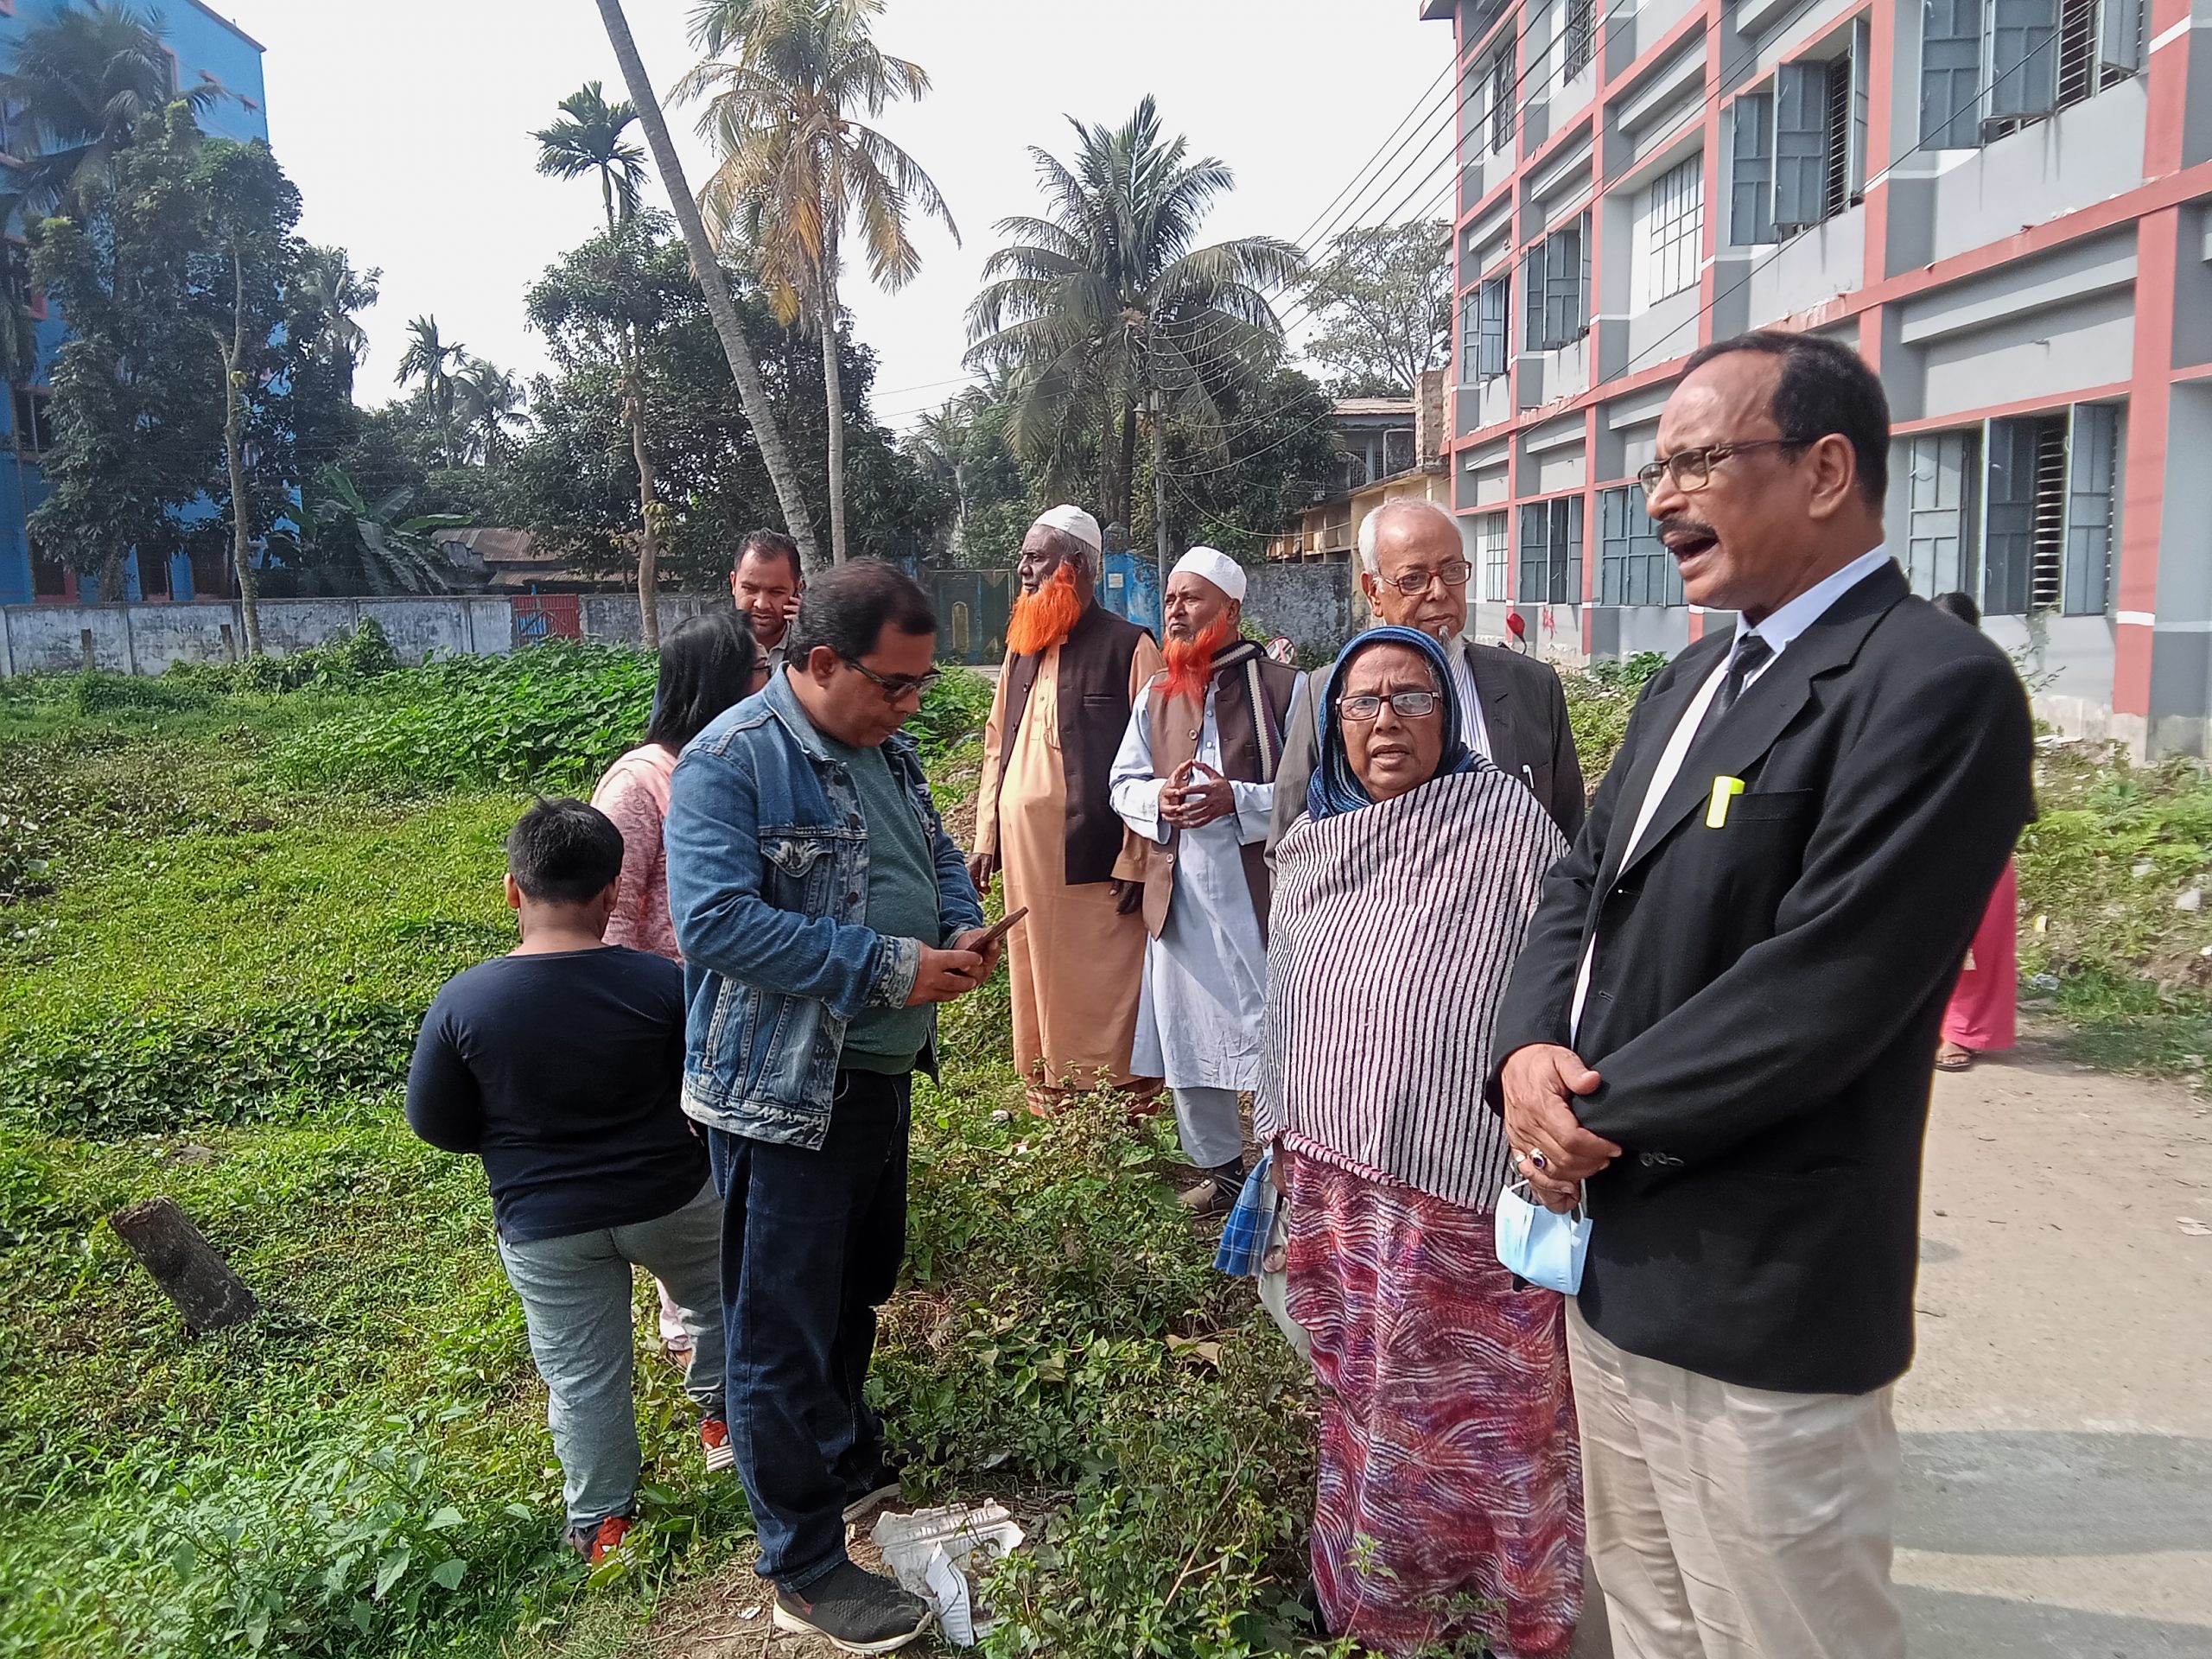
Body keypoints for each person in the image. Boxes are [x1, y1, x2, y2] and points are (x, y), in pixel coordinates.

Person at [1490, 331, 2035, 1659]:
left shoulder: (1931, 687)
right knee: (1658, 1617)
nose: (1663, 499)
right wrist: (1522, 1055)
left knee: (1782, 1631)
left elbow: (1829, 981)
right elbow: (1582, 884)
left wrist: (1593, 1109)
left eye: (1694, 462)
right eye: (1654, 472)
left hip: (1768, 1294)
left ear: (1826, 469)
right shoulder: (1692, 679)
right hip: (1620, 1264)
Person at [664, 561, 995, 1654]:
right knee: (778, 1329)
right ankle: (802, 1565)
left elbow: (937, 852)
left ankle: (839, 1455)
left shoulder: (883, 750)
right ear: (817, 664)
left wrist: (957, 926)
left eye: (920, 688)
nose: (910, 708)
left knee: (857, 1286)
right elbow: (714, 924)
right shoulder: (731, 762)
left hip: (874, 1078)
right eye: (894, 686)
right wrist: (890, 967)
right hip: (781, 1094)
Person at [1256, 626, 1581, 1658]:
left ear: (1447, 713)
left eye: (1409, 699)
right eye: (1361, 704)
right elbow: (1291, 1012)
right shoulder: (1309, 844)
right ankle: (1373, 1599)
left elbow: (1558, 983)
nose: (1385, 721)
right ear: (1331, 724)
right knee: (1363, 1395)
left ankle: (1498, 1613)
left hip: (1462, 1195)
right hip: (1337, 1188)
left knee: (1481, 1420)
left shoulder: (1507, 823)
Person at [404, 798, 728, 1565]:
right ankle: (723, 1421)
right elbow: (709, 1089)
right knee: (721, 1306)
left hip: (546, 1221)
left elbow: (435, 1124)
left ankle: (603, 1528)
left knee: (583, 1376)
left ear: (512, 890)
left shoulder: (465, 1001)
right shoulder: (660, 983)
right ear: (614, 892)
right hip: (672, 1197)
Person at [591, 610, 767, 1363]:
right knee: (684, 1175)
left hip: (737, 1011)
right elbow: (611, 915)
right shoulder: (638, 785)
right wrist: (639, 1031)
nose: (771, 684)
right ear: (719, 684)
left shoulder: (737, 765)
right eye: (757, 672)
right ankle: (693, 1344)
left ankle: (732, 1323)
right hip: (669, 1019)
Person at [1109, 546, 1300, 1213]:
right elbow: (1121, 783)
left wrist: (1237, 803)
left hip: (1262, 903)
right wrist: (1157, 800)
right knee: (1189, 1038)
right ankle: (1219, 1173)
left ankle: (1293, 1171)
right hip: (1179, 900)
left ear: (1231, 609)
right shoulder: (1157, 692)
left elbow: (1307, 794)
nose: (1177, 610)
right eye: (1170, 600)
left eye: (1191, 598)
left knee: (1278, 1032)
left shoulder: (1284, 689)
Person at [968, 505, 1166, 1109]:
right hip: (1027, 858)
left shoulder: (1130, 645)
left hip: (1101, 858)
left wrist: (1139, 859)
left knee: (1105, 980)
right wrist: (985, 837)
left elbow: (1154, 762)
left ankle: (1118, 1102)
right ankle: (1049, 1092)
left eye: (1037, 558)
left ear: (1074, 566)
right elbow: (997, 742)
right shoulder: (1021, 649)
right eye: (1025, 558)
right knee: (1035, 971)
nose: (1024, 570)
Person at [1270, 497, 1585, 849]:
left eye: (1452, 571)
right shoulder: (1328, 692)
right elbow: (1286, 848)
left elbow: (1568, 834)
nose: (1438, 592)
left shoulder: (1532, 685)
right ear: (1374, 592)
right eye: (1414, 579)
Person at [1930, 590, 2020, 1071]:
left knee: (1981, 937)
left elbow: (2010, 764)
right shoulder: (1910, 680)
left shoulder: (1993, 682)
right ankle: (1919, 1027)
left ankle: (1963, 1031)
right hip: (1917, 827)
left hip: (1980, 828)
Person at [730, 528, 804, 674]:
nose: (762, 604)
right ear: (733, 583)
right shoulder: (710, 649)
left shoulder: (816, 652)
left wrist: (810, 634)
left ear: (797, 589)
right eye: (750, 589)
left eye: (776, 592)